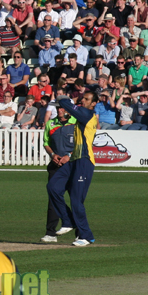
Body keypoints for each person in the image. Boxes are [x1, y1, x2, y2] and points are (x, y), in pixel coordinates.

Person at [48, 93, 98, 246]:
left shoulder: (87, 114)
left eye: (87, 99)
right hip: (73, 160)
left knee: (76, 199)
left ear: (94, 104)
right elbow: (69, 110)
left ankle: (86, 236)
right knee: (53, 187)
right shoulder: (82, 113)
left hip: (84, 161)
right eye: (82, 98)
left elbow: (68, 106)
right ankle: (68, 221)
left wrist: (62, 98)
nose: (83, 100)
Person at [41, 105, 77, 243]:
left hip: (73, 165)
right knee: (53, 198)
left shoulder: (76, 122)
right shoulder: (51, 123)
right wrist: (52, 154)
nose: (60, 110)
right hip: (56, 165)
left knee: (76, 199)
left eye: (62, 108)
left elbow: (81, 144)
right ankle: (50, 233)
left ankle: (80, 234)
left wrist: (68, 155)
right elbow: (46, 142)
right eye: (58, 108)